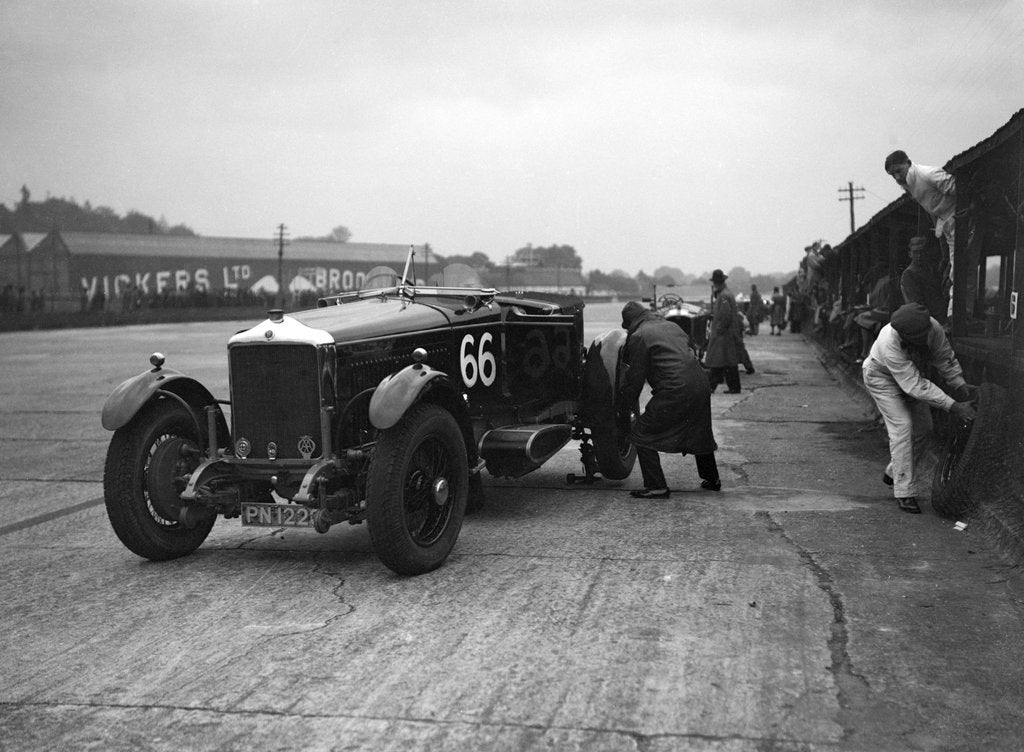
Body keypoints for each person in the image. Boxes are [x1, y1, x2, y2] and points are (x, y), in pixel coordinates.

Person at [861, 303, 977, 514]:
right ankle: (904, 492)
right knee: (902, 427)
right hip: (881, 378)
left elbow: (944, 357)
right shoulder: (890, 341)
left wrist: (959, 383)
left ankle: (894, 471)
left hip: (910, 378)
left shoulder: (934, 329)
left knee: (924, 429)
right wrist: (954, 406)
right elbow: (915, 386)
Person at [618, 301, 721, 498]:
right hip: (700, 385)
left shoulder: (639, 336)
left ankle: (657, 486)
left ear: (631, 322)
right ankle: (712, 479)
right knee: (700, 431)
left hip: (676, 389)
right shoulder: (673, 327)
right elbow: (688, 355)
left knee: (641, 434)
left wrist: (622, 404)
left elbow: (635, 380)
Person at [884, 151, 957, 310]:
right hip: (946, 226)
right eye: (892, 175)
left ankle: (955, 317)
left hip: (959, 220)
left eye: (899, 171)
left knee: (959, 271)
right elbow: (932, 211)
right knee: (954, 271)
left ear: (908, 163)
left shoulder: (927, 174)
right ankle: (953, 315)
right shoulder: (910, 187)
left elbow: (959, 188)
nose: (897, 178)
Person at [705, 269, 741, 393]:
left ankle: (711, 386)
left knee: (718, 361)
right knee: (727, 362)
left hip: (723, 335)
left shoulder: (723, 296)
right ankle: (733, 386)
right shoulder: (726, 294)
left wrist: (719, 330)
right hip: (726, 333)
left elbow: (725, 315)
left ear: (716, 283)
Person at [900, 236, 947, 324]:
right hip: (922, 320)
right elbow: (917, 303)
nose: (919, 256)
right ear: (910, 254)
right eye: (915, 252)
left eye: (922, 252)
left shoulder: (930, 270)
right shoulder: (909, 274)